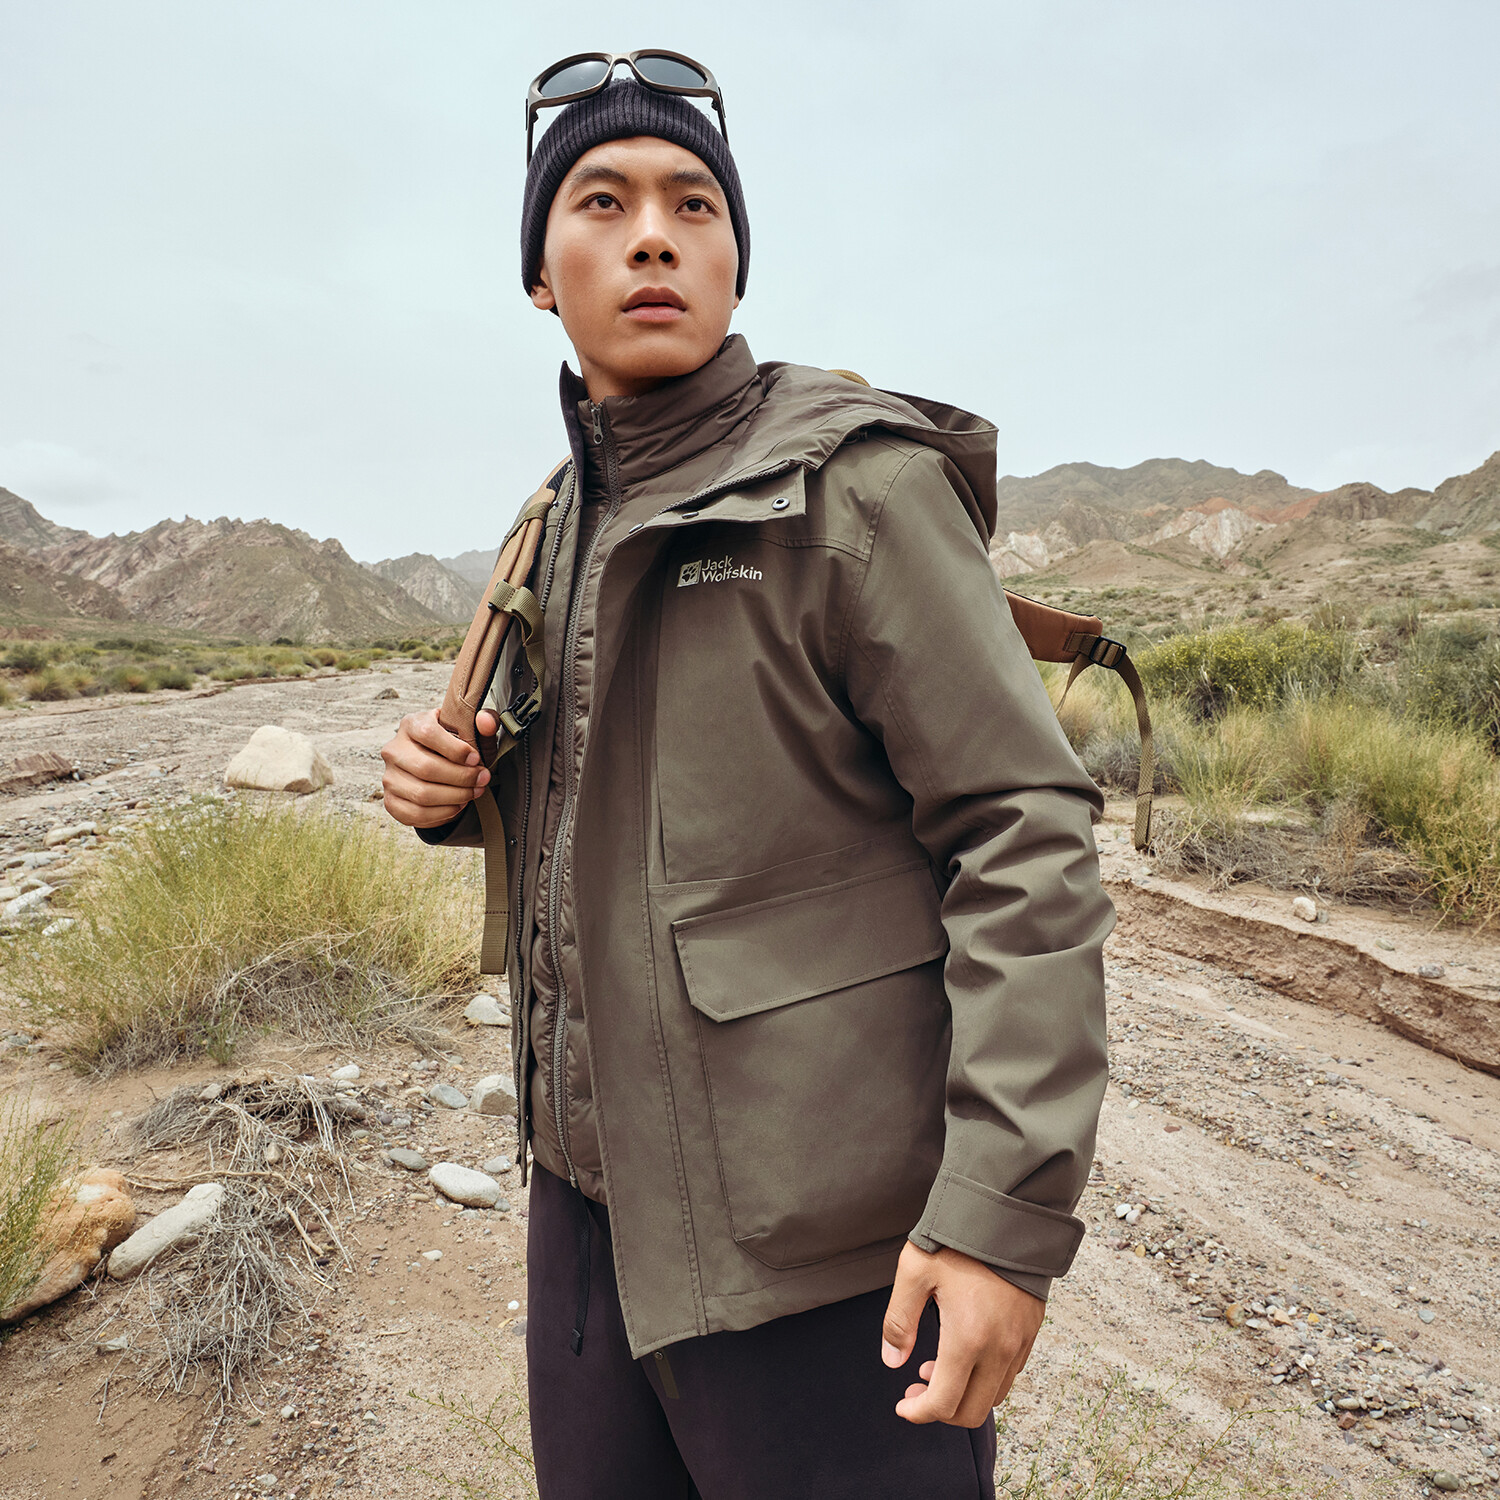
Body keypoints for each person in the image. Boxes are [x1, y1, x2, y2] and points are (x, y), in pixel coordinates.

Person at [380, 52, 1113, 1500]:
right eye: (602, 201)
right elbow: (610, 799)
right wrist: (457, 794)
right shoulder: (554, 522)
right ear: (539, 276)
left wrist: (997, 1217)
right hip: (584, 1214)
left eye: (694, 204)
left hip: (820, 1258)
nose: (654, 235)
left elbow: (1023, 837)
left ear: (732, 261)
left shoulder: (856, 487)